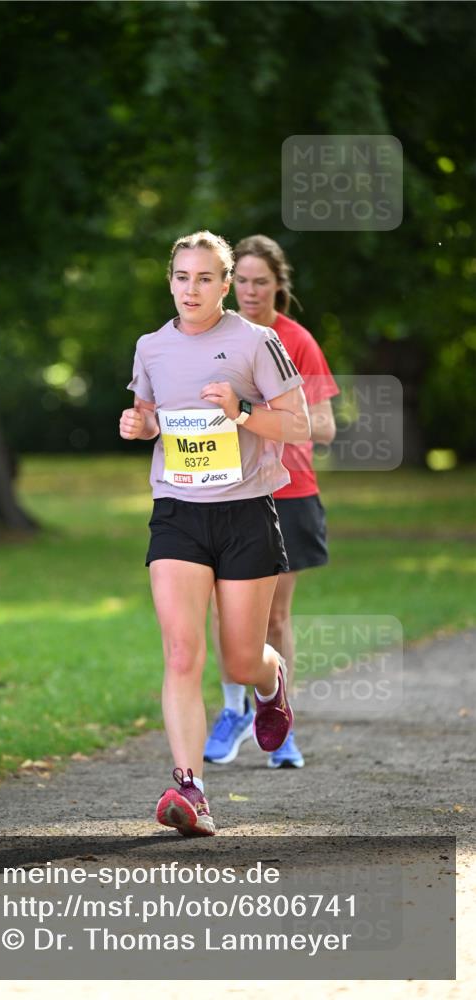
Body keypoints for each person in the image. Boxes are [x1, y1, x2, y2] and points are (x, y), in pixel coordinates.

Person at [119, 230, 311, 836]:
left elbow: (299, 426)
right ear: (170, 281)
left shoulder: (256, 341)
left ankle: (270, 682)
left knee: (240, 658)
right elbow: (153, 416)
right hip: (177, 511)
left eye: (205, 278)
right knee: (181, 652)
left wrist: (243, 411)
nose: (192, 289)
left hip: (246, 512)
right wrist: (140, 425)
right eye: (182, 277)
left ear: (225, 285)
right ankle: (191, 790)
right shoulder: (151, 347)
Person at [203, 235, 339, 769]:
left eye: (262, 282)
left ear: (279, 285)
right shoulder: (213, 334)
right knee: (222, 611)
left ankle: (280, 724)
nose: (252, 291)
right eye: (242, 280)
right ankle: (234, 709)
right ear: (229, 283)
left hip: (288, 493)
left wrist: (259, 415)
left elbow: (323, 426)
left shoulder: (295, 340)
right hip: (225, 487)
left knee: (274, 617)